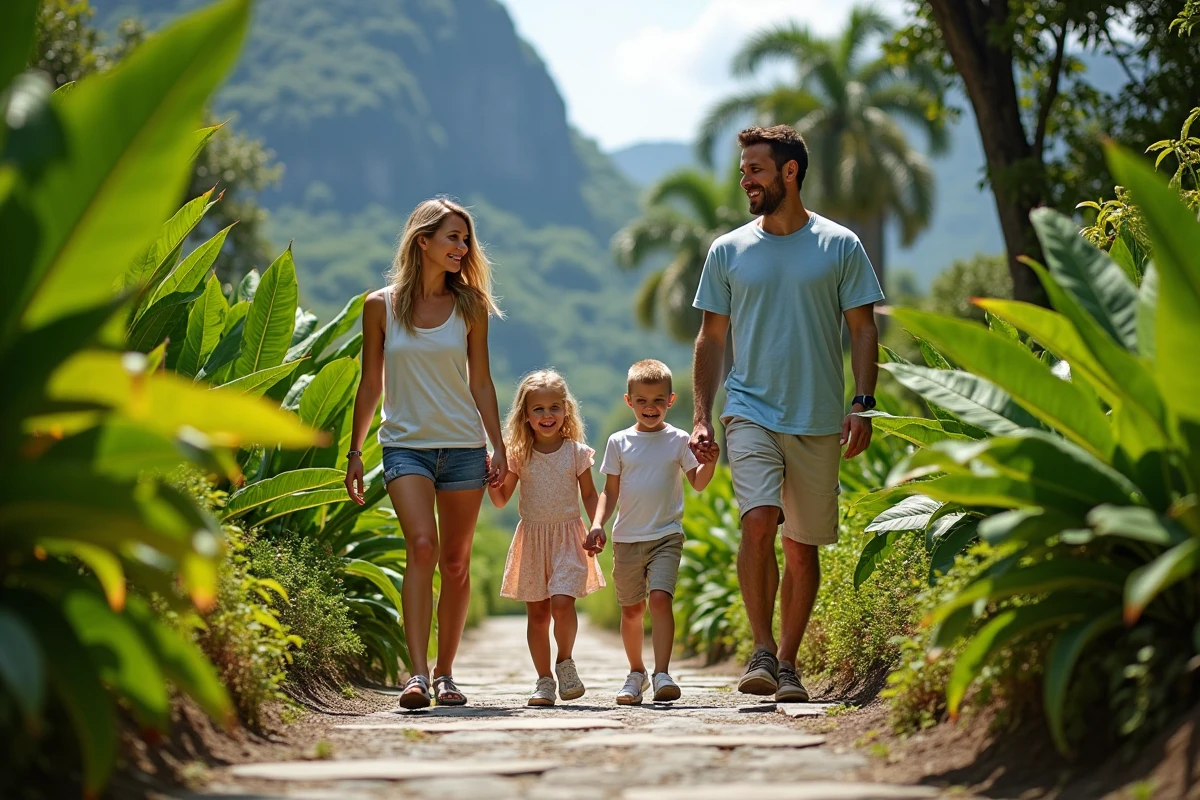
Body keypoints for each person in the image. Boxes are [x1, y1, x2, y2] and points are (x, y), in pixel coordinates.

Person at [690, 125, 884, 703]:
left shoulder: (840, 245)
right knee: (758, 519)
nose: (745, 180)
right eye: (743, 171)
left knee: (800, 545)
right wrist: (702, 416)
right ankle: (761, 649)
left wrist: (863, 403)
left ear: (790, 172)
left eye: (756, 170)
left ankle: (789, 663)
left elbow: (863, 328)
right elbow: (710, 338)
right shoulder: (728, 250)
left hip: (818, 415)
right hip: (748, 408)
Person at [344, 197, 507, 710]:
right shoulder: (380, 306)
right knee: (421, 546)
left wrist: (498, 445)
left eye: (466, 239)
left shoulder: (470, 305)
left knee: (455, 564)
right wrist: (354, 451)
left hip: (463, 447)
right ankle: (415, 675)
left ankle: (446, 674)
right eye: (452, 237)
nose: (462, 247)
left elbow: (481, 382)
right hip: (404, 446)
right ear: (423, 241)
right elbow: (371, 384)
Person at [587, 360, 718, 705]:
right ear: (629, 401)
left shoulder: (678, 440)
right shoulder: (619, 442)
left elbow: (698, 482)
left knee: (660, 599)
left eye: (658, 400)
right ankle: (636, 672)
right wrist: (598, 522)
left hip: (666, 536)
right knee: (632, 610)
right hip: (627, 538)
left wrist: (710, 462)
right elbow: (609, 491)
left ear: (671, 400)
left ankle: (662, 673)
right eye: (642, 400)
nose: (650, 407)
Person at [490, 369, 606, 706]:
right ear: (525, 415)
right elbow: (501, 499)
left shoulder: (577, 453)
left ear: (566, 410)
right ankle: (543, 681)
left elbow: (590, 495)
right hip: (532, 540)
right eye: (538, 409)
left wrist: (597, 524)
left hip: (569, 537)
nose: (547, 415)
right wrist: (490, 479)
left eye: (554, 407)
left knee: (562, 603)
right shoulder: (518, 455)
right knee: (538, 615)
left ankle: (565, 663)